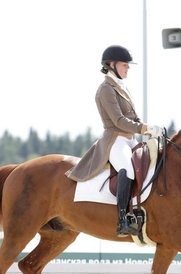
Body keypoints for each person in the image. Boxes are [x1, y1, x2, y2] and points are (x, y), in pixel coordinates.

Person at [66, 45, 163, 237]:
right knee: (127, 169)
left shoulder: (122, 88)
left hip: (130, 140)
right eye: (124, 65)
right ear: (111, 65)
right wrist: (145, 129)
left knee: (153, 163)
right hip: (115, 140)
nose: (128, 68)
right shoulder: (106, 90)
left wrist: (149, 129)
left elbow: (133, 119)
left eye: (128, 65)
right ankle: (123, 220)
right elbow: (118, 121)